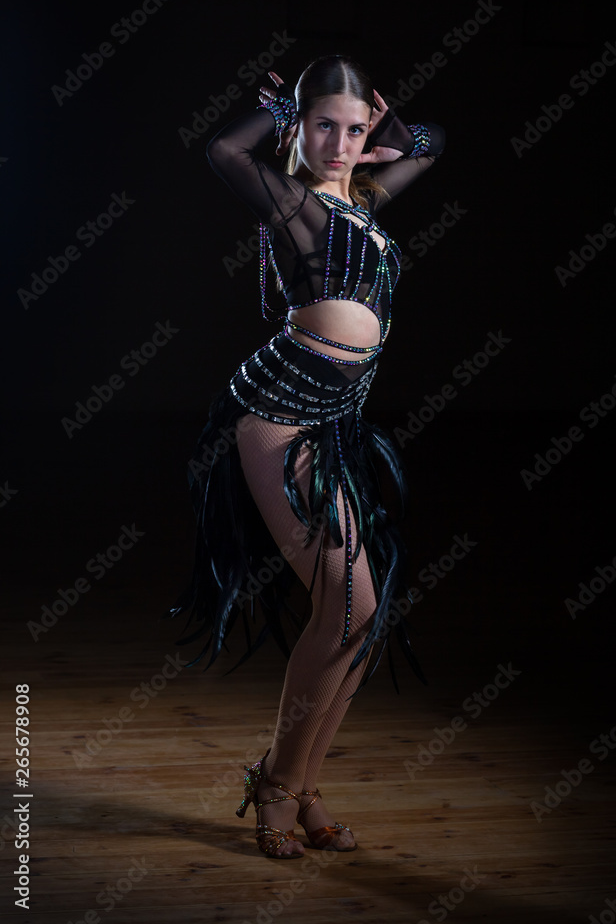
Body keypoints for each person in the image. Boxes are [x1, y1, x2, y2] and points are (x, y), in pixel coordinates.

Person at [170, 54, 445, 858]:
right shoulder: (295, 207)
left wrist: (378, 131)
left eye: (354, 129)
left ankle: (300, 779)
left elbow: (431, 141)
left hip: (335, 420)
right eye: (324, 124)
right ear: (300, 127)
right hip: (280, 418)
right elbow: (225, 153)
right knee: (348, 610)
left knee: (360, 617)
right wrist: (283, 112)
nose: (339, 142)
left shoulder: (362, 199)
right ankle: (278, 787)